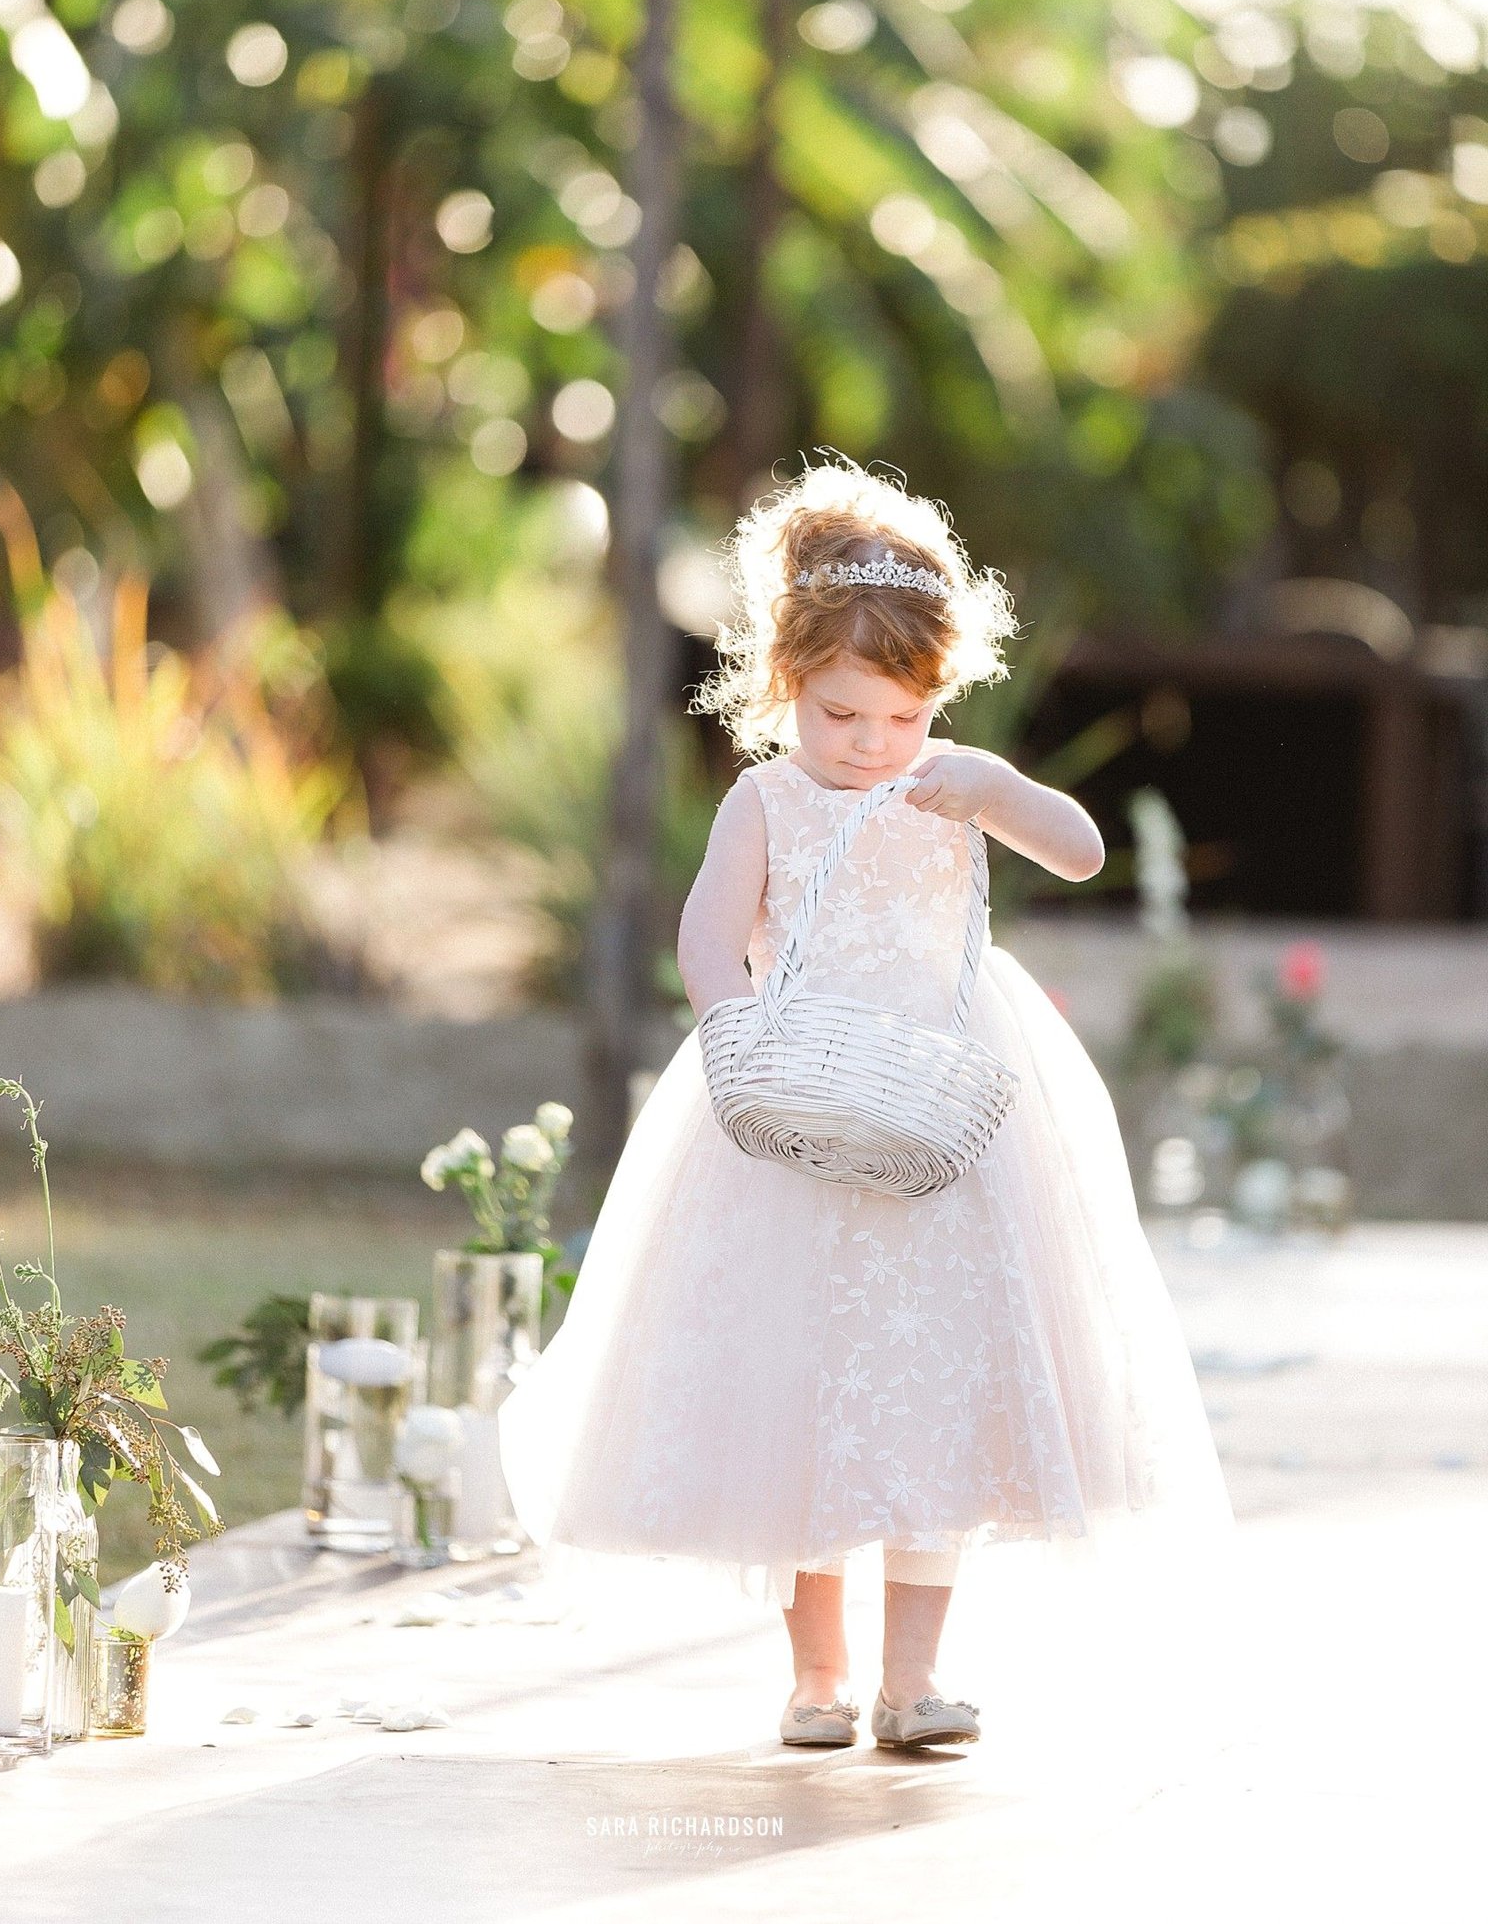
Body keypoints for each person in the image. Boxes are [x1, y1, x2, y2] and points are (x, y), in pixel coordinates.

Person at [497, 457, 1233, 1754]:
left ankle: (915, 1680)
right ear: (787, 683)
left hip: (944, 1110)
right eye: (839, 714)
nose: (866, 745)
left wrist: (996, 790)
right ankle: (818, 1678)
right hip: (793, 1109)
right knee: (806, 1392)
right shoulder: (768, 797)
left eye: (897, 718)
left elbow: (1082, 848)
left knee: (933, 1390)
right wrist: (740, 1035)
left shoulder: (947, 781)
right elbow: (709, 941)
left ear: (935, 699)